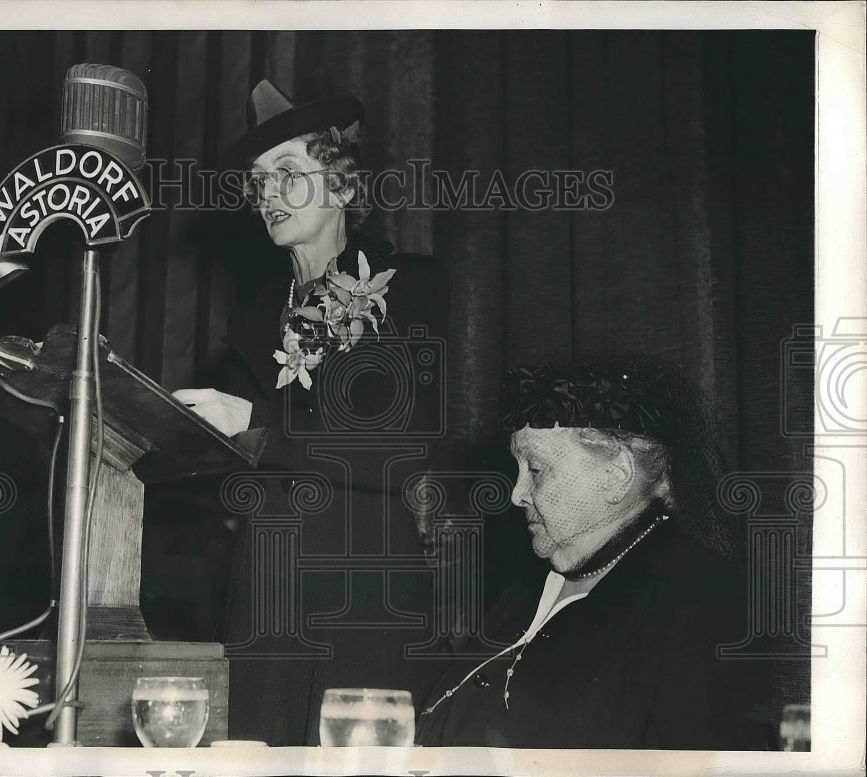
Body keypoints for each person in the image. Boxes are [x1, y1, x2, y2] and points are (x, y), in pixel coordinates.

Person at [196, 79, 451, 745]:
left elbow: (404, 448)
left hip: (367, 595)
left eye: (287, 173)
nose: (267, 197)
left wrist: (250, 426)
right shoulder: (249, 320)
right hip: (265, 597)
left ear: (340, 184)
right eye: (257, 184)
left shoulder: (409, 289)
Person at [416, 359, 771, 749]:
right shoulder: (529, 583)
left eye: (535, 469)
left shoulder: (702, 603)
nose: (516, 493)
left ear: (615, 477)